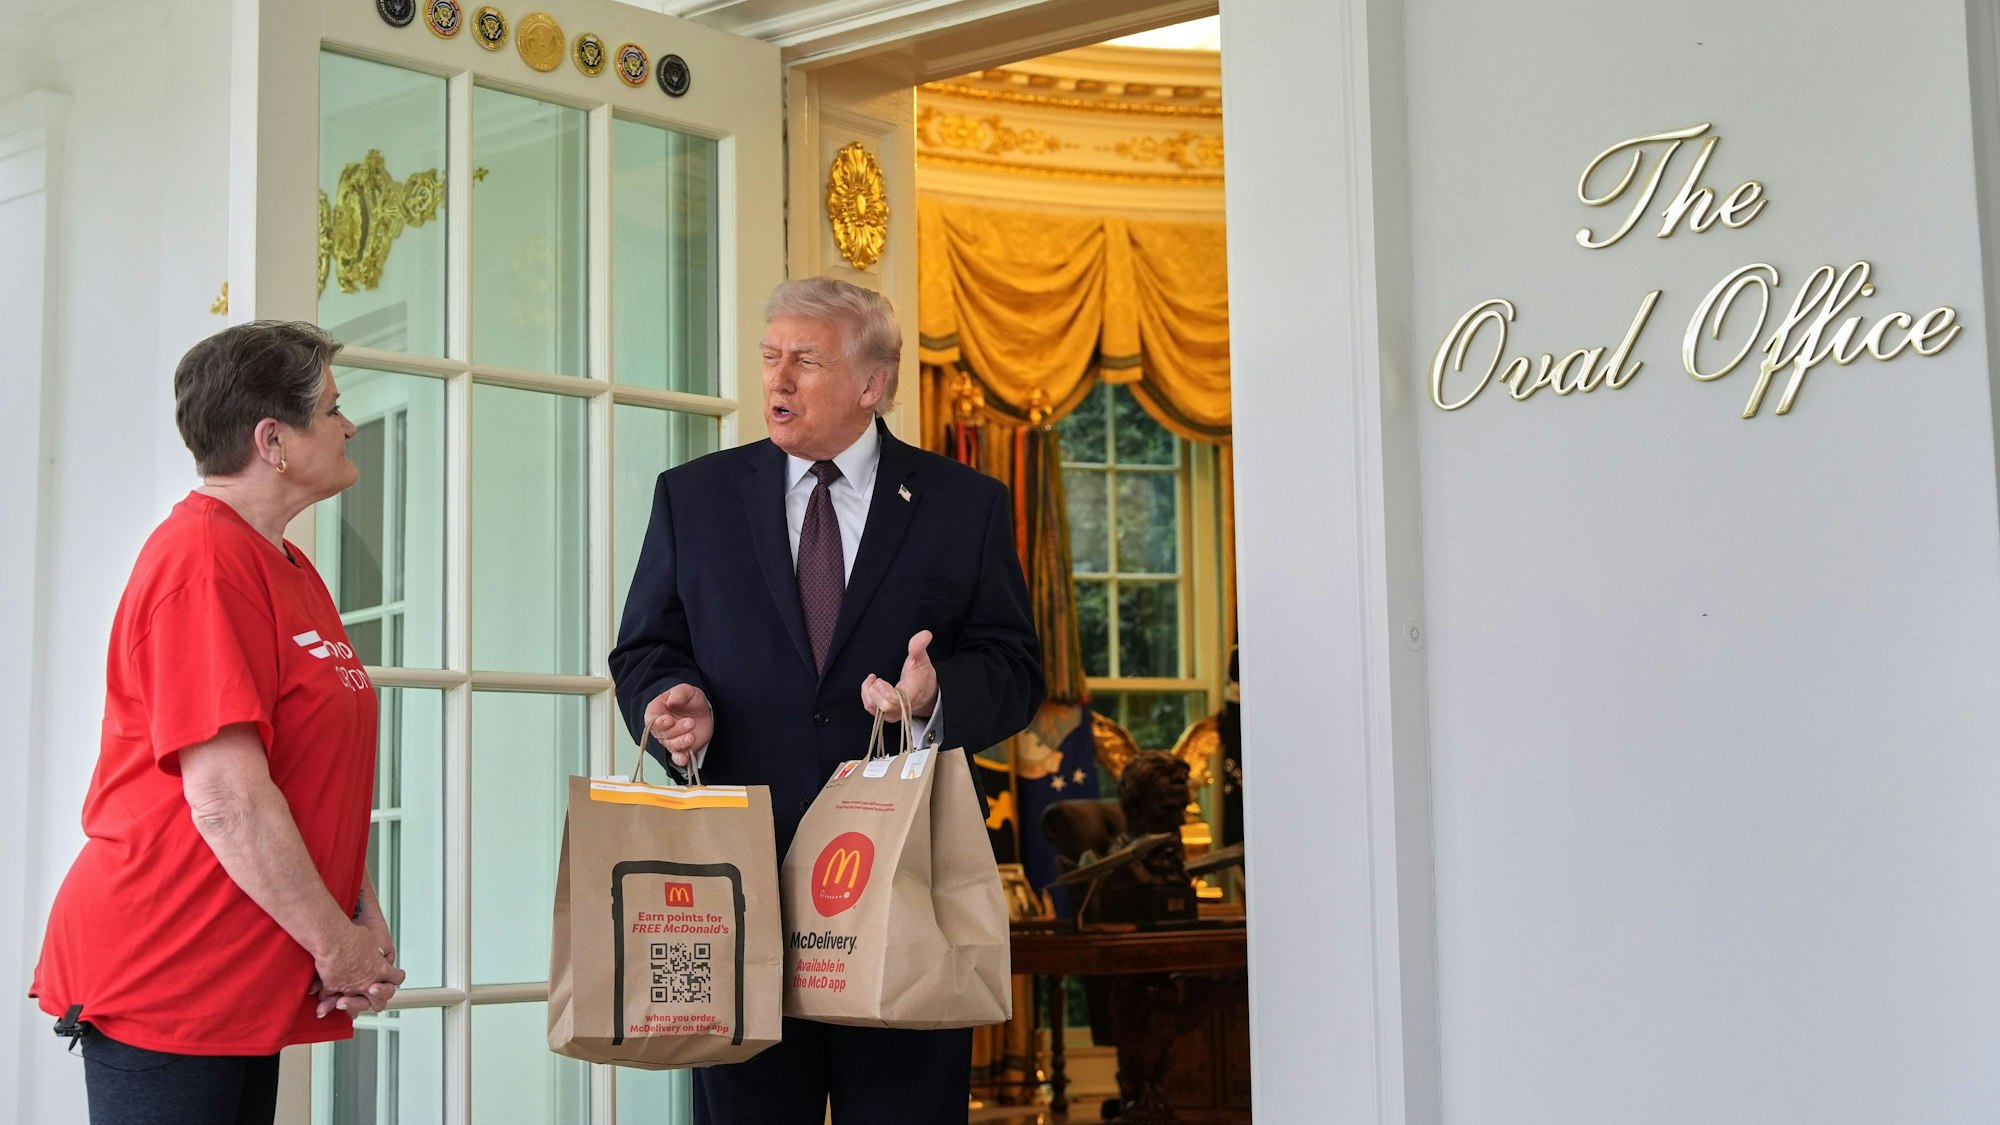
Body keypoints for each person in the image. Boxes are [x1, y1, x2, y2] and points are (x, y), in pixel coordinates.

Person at [611, 277, 1044, 1124]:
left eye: (805, 361)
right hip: (741, 890)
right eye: (770, 356)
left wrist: (934, 696)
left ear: (872, 383)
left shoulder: (965, 504)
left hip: (900, 890)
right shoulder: (693, 497)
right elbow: (644, 647)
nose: (777, 379)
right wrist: (670, 700)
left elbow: (1016, 667)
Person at [32, 321, 405, 1125]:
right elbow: (227, 800)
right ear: (273, 440)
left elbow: (303, 773)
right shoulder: (201, 560)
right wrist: (334, 945)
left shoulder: (288, 567)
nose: (349, 426)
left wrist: (354, 911)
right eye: (332, 409)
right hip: (173, 966)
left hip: (243, 967)